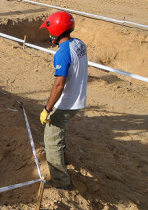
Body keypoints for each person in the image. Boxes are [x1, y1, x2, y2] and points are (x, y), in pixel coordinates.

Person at [39, 11, 88, 191]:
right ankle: (64, 158)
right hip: (79, 99)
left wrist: (47, 108)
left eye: (50, 31)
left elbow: (59, 84)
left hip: (67, 103)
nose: (49, 35)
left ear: (56, 31)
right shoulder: (79, 44)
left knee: (51, 139)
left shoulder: (62, 53)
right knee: (60, 130)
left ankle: (60, 181)